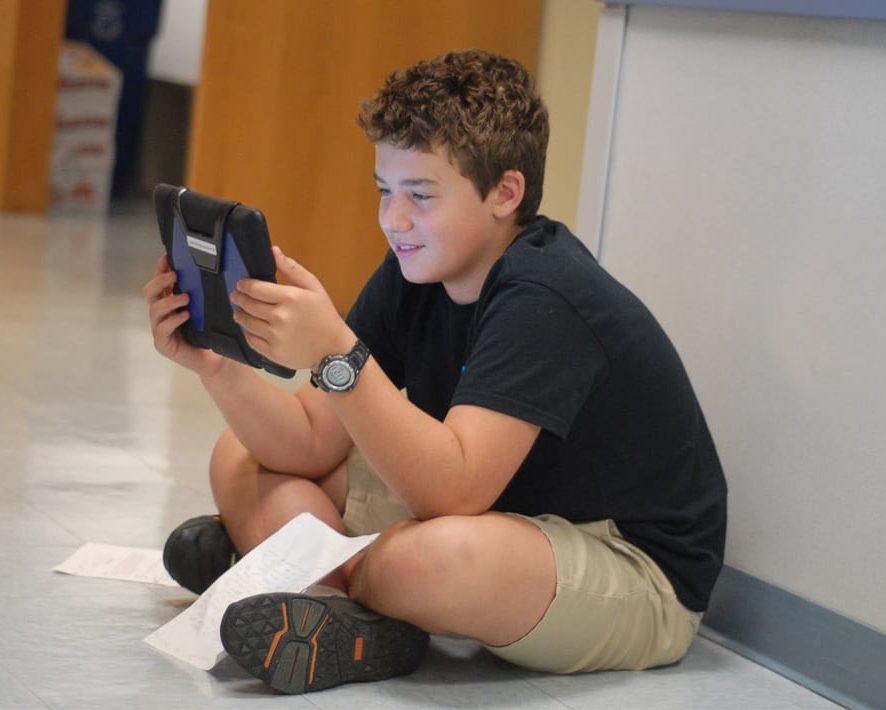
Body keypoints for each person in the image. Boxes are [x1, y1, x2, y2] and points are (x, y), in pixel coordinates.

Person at [144, 48, 727, 695]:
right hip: (499, 509)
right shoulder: (417, 267)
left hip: (631, 567)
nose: (394, 220)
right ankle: (337, 600)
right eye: (385, 191)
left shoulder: (546, 295)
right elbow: (306, 441)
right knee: (241, 457)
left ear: (505, 192)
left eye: (420, 196)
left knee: (437, 560)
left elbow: (454, 494)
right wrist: (216, 367)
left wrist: (337, 355)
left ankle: (290, 575)